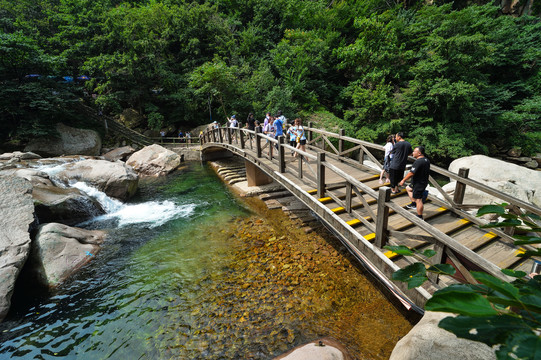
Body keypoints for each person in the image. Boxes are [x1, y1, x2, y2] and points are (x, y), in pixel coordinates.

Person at [399, 146, 430, 220]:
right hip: (422, 181)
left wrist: (403, 180)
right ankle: (413, 203)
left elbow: (411, 173)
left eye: (414, 151)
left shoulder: (418, 162)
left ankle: (420, 216)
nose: (413, 153)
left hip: (419, 183)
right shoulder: (426, 160)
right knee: (408, 188)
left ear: (419, 153)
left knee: (418, 200)